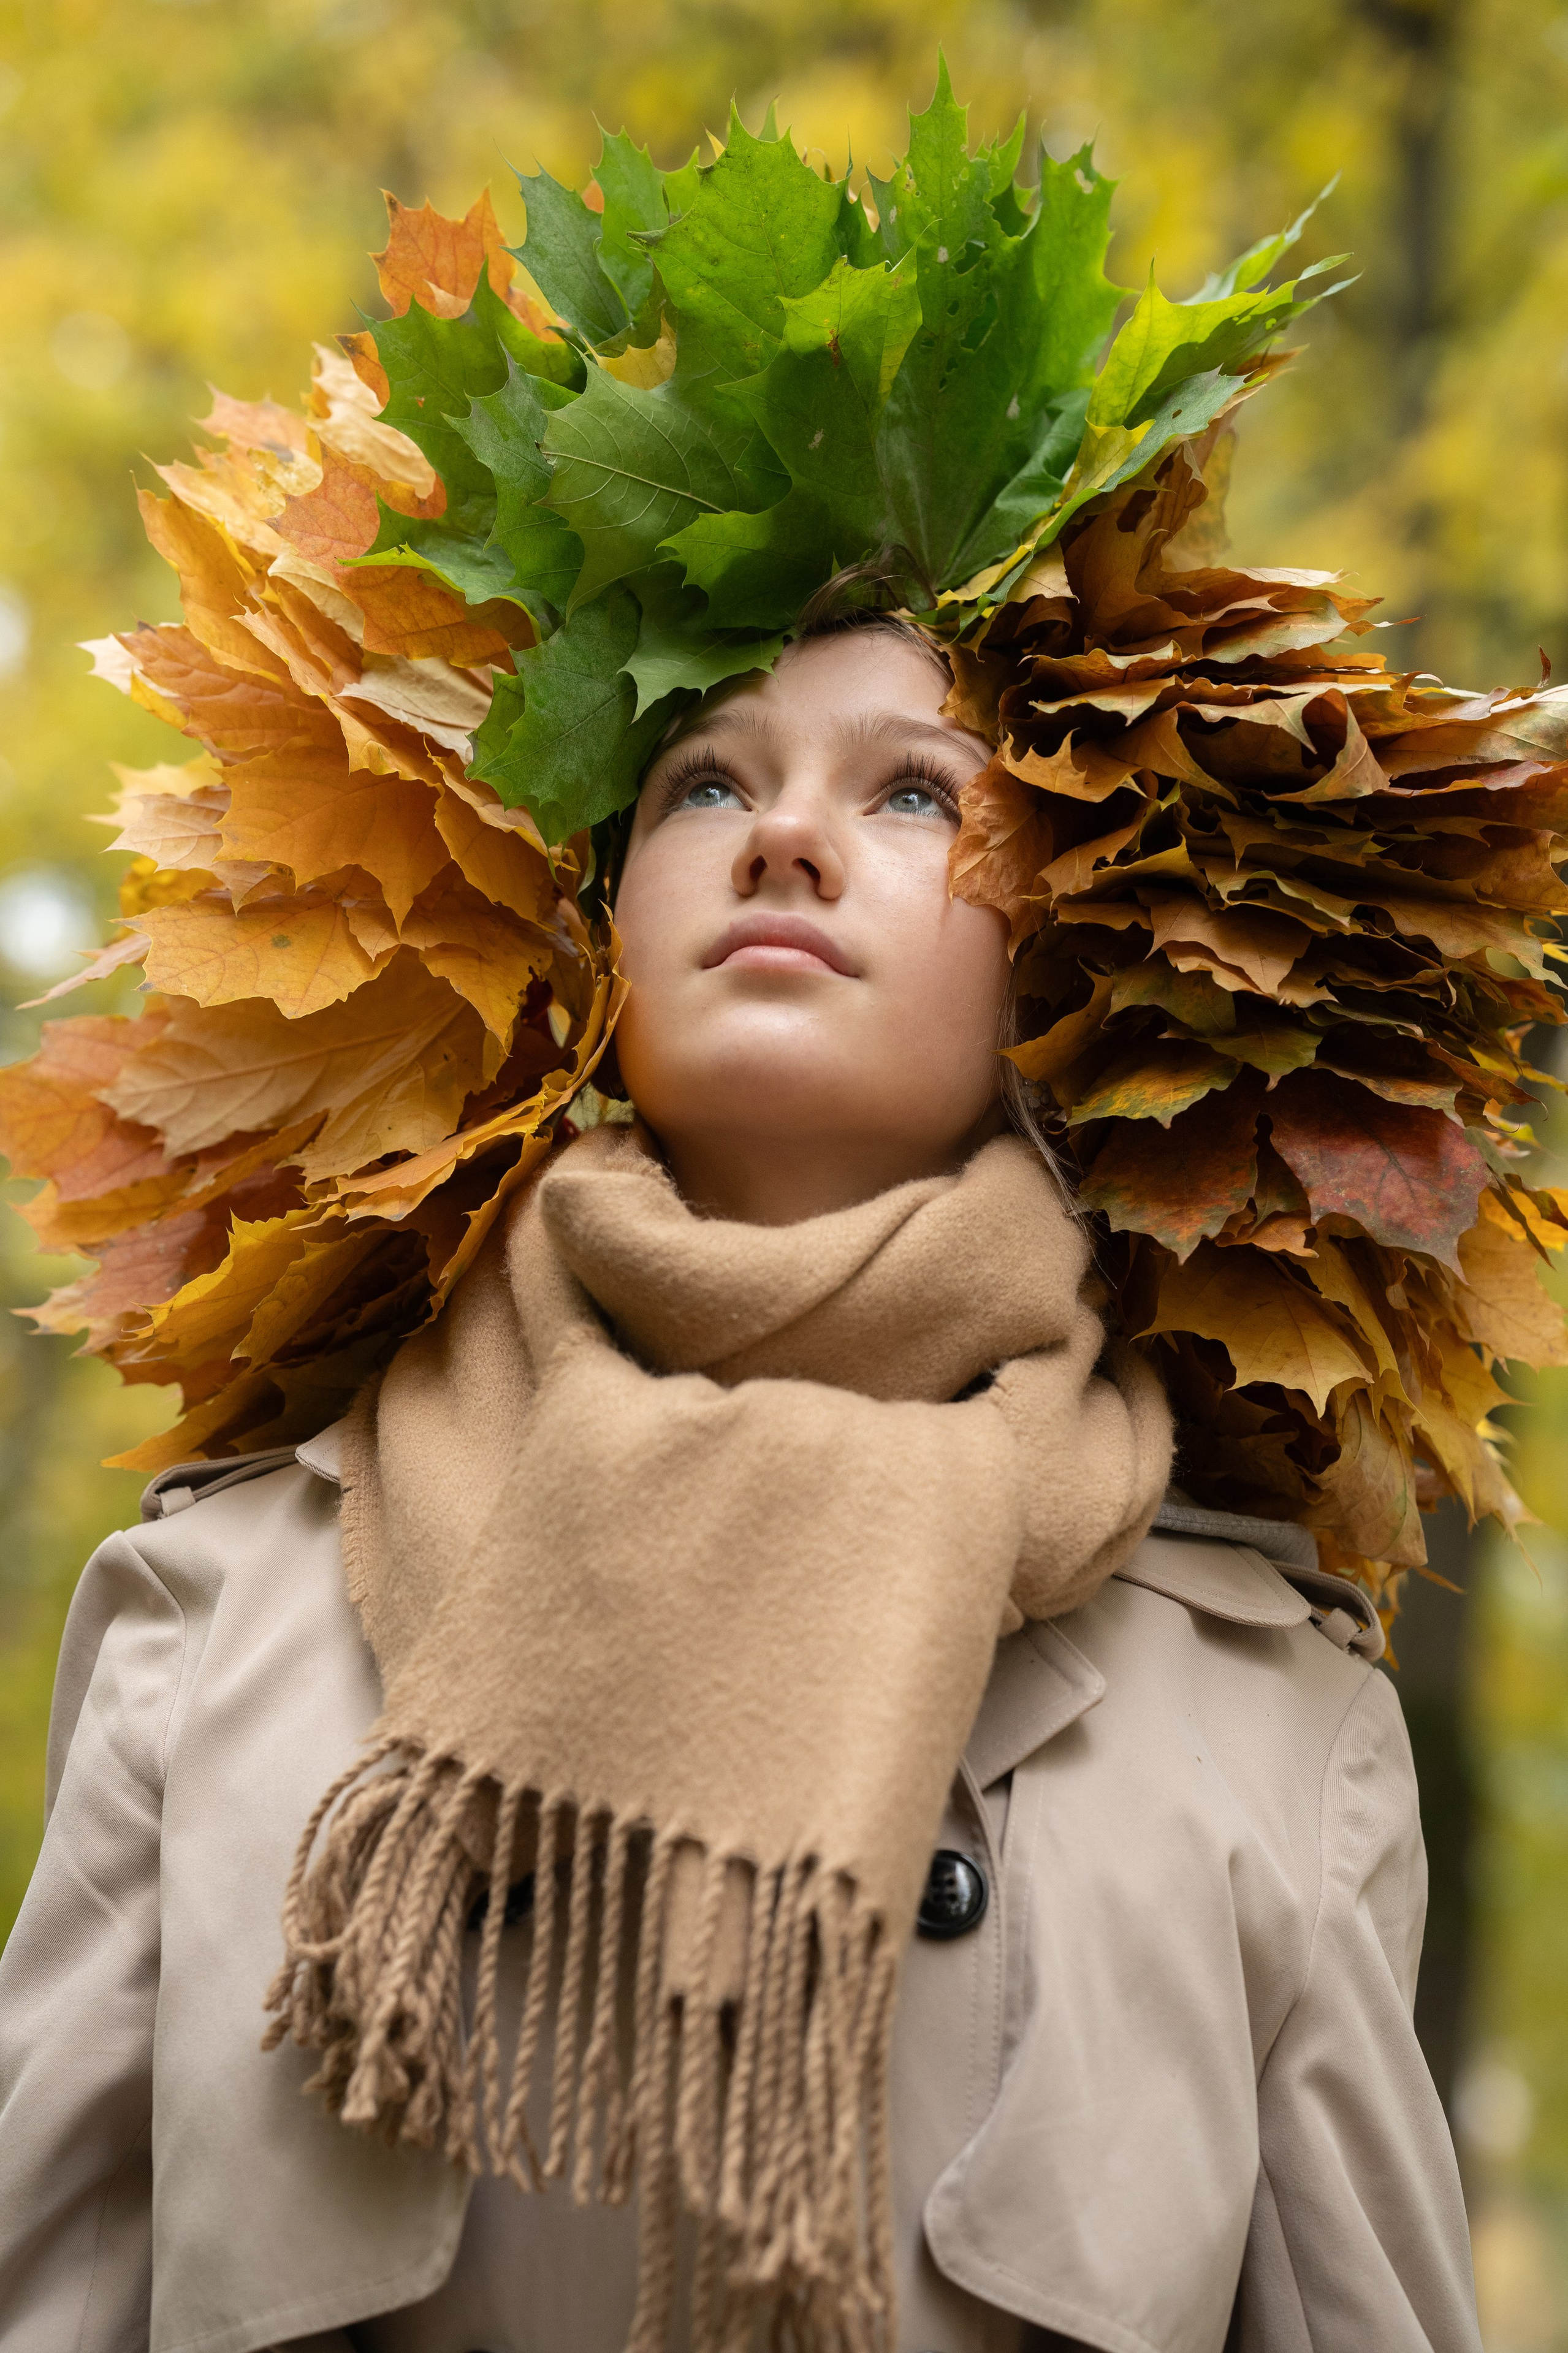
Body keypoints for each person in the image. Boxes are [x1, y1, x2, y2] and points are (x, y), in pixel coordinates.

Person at [0, 614, 1480, 2353]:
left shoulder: (1272, 1725)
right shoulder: (220, 1615)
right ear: (596, 930)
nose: (785, 835)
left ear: (1071, 955)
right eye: (707, 780)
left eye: (920, 796)